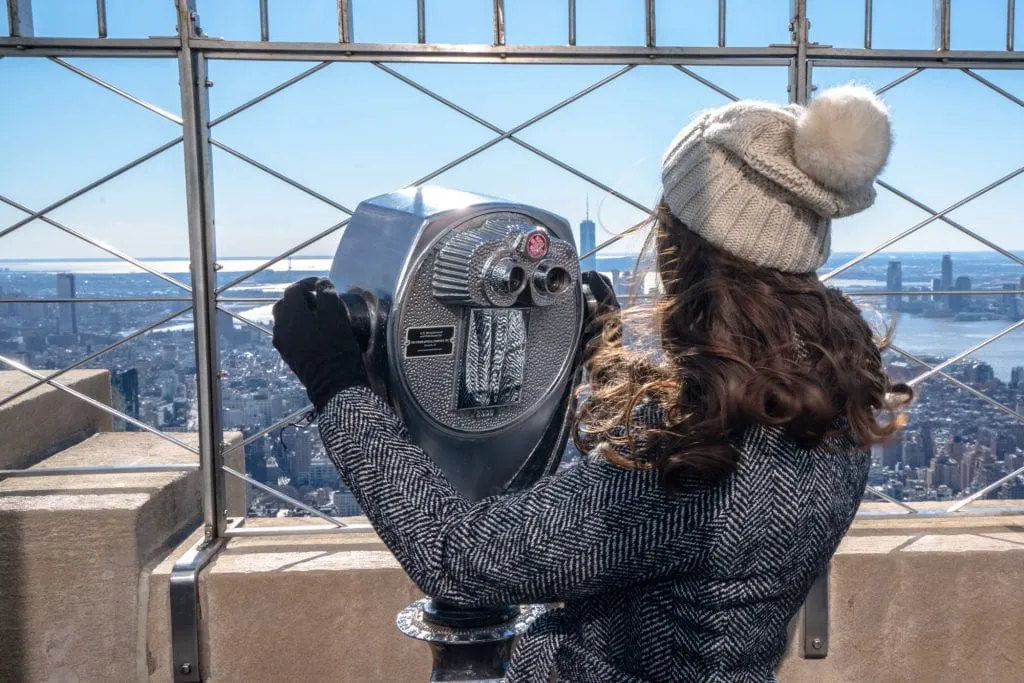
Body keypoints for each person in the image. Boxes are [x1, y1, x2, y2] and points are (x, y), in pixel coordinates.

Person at [271, 84, 912, 682]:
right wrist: (593, 356)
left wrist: (338, 387)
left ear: (683, 243)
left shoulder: (700, 456)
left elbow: (458, 560)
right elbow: (641, 540)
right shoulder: (834, 397)